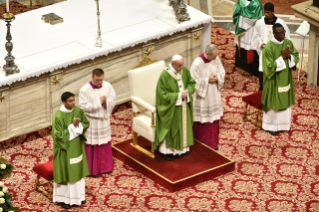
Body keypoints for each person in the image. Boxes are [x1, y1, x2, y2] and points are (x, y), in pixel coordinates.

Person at [154, 55, 196, 161]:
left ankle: (184, 149)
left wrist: (188, 91)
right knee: (173, 128)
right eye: (179, 66)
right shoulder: (165, 75)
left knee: (184, 126)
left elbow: (191, 83)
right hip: (171, 108)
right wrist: (178, 95)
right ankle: (168, 151)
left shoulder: (184, 71)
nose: (181, 68)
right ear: (173, 64)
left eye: (182, 65)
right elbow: (162, 94)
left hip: (184, 105)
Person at [52, 92, 90, 210]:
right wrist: (72, 126)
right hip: (65, 149)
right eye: (70, 101)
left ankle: (79, 196)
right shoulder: (58, 116)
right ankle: (65, 199)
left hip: (77, 146)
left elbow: (85, 123)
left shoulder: (77, 110)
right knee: (67, 173)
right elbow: (58, 135)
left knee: (77, 170)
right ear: (64, 102)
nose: (73, 103)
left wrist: (78, 126)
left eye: (74, 100)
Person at [261, 23, 299, 136]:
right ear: (273, 33)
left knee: (285, 101)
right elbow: (268, 67)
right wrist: (282, 57)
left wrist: (289, 56)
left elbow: (296, 56)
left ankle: (284, 125)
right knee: (274, 102)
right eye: (280, 33)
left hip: (286, 77)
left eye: (283, 32)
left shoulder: (288, 43)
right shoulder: (268, 48)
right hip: (273, 80)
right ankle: (271, 126)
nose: (283, 35)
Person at [79, 68, 116, 178]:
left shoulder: (108, 86)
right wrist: (98, 102)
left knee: (104, 143)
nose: (99, 83)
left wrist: (106, 103)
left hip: (103, 120)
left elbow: (113, 99)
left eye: (101, 80)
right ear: (92, 77)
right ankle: (92, 170)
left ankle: (106, 167)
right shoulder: (84, 90)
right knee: (93, 144)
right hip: (93, 121)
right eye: (97, 80)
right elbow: (83, 107)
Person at [191, 44, 225, 150]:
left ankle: (213, 143)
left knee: (213, 118)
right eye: (213, 57)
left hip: (213, 93)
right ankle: (202, 143)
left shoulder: (216, 58)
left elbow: (221, 72)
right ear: (207, 54)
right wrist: (206, 80)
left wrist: (217, 79)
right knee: (203, 119)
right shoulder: (197, 63)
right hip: (203, 97)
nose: (215, 59)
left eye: (216, 56)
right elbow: (192, 81)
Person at [252, 2, 290, 91]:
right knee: (262, 69)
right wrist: (260, 43)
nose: (266, 14)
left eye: (268, 12)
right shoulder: (259, 22)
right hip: (264, 50)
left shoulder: (281, 23)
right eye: (264, 12)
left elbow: (287, 37)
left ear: (273, 11)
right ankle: (262, 87)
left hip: (276, 51)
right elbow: (255, 35)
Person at [233, 0, 263, 77]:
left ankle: (251, 70)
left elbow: (253, 20)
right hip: (242, 35)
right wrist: (238, 11)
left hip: (251, 30)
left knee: (251, 50)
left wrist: (240, 18)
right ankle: (240, 65)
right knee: (241, 50)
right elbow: (236, 11)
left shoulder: (256, 3)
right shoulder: (241, 1)